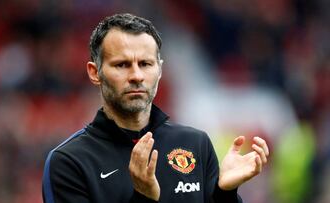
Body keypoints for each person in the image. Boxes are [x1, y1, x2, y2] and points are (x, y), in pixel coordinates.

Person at [42, 13, 269, 203]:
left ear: (159, 70)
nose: (136, 76)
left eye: (145, 64)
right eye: (122, 65)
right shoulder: (69, 162)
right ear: (95, 72)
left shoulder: (195, 144)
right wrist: (143, 198)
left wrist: (224, 195)